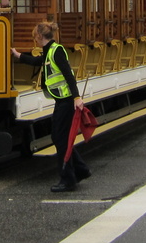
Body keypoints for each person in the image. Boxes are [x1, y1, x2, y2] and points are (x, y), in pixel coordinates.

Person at [11, 21, 90, 193]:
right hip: (61, 100)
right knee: (59, 138)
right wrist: (18, 55)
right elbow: (37, 61)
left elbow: (68, 75)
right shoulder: (50, 51)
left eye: (35, 37)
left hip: (67, 100)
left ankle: (67, 180)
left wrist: (77, 97)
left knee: (61, 139)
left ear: (40, 36)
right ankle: (81, 170)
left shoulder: (57, 51)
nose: (35, 40)